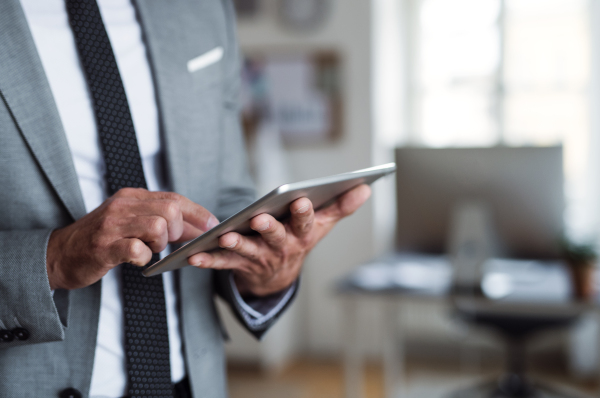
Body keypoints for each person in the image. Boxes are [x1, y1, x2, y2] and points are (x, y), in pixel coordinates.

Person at [0, 0, 371, 397]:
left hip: (191, 383)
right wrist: (55, 258)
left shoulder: (204, 10)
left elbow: (227, 194)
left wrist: (266, 268)